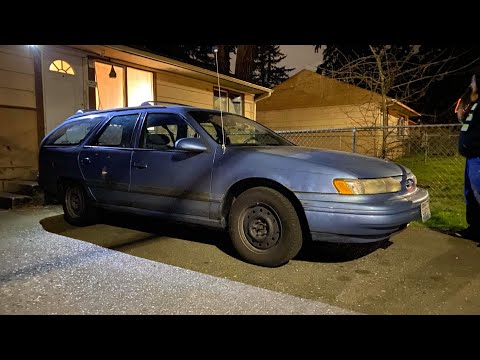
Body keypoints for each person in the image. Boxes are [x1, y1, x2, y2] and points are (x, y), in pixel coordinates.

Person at [455, 74, 480, 240]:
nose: (471, 84)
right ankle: (475, 230)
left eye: (473, 81)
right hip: (471, 158)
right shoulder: (475, 105)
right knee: (470, 194)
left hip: (478, 157)